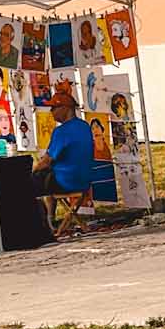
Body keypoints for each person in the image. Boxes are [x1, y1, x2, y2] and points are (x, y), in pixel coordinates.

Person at [32, 83, 96, 234]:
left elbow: (47, 161)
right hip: (85, 180)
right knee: (47, 178)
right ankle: (51, 218)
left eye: (54, 108)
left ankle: (42, 222)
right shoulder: (85, 126)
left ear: (65, 109)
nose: (52, 112)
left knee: (28, 183)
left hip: (65, 181)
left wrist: (32, 170)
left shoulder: (61, 132)